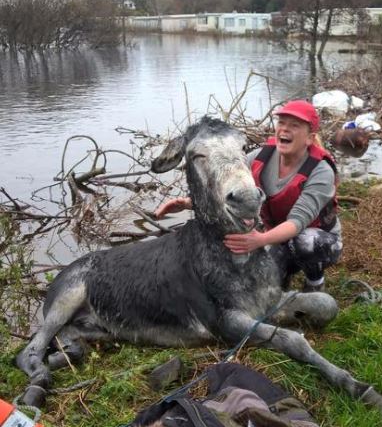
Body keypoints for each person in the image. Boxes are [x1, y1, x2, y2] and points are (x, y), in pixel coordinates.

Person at [155, 99, 368, 292]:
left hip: (316, 237)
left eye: (294, 125)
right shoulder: (261, 157)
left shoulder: (321, 170)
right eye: (282, 123)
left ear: (310, 138)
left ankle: (315, 280)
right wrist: (188, 203)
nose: (285, 129)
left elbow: (298, 222)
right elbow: (235, 192)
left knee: (306, 243)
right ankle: (283, 271)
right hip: (275, 234)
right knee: (262, 280)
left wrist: (259, 240)